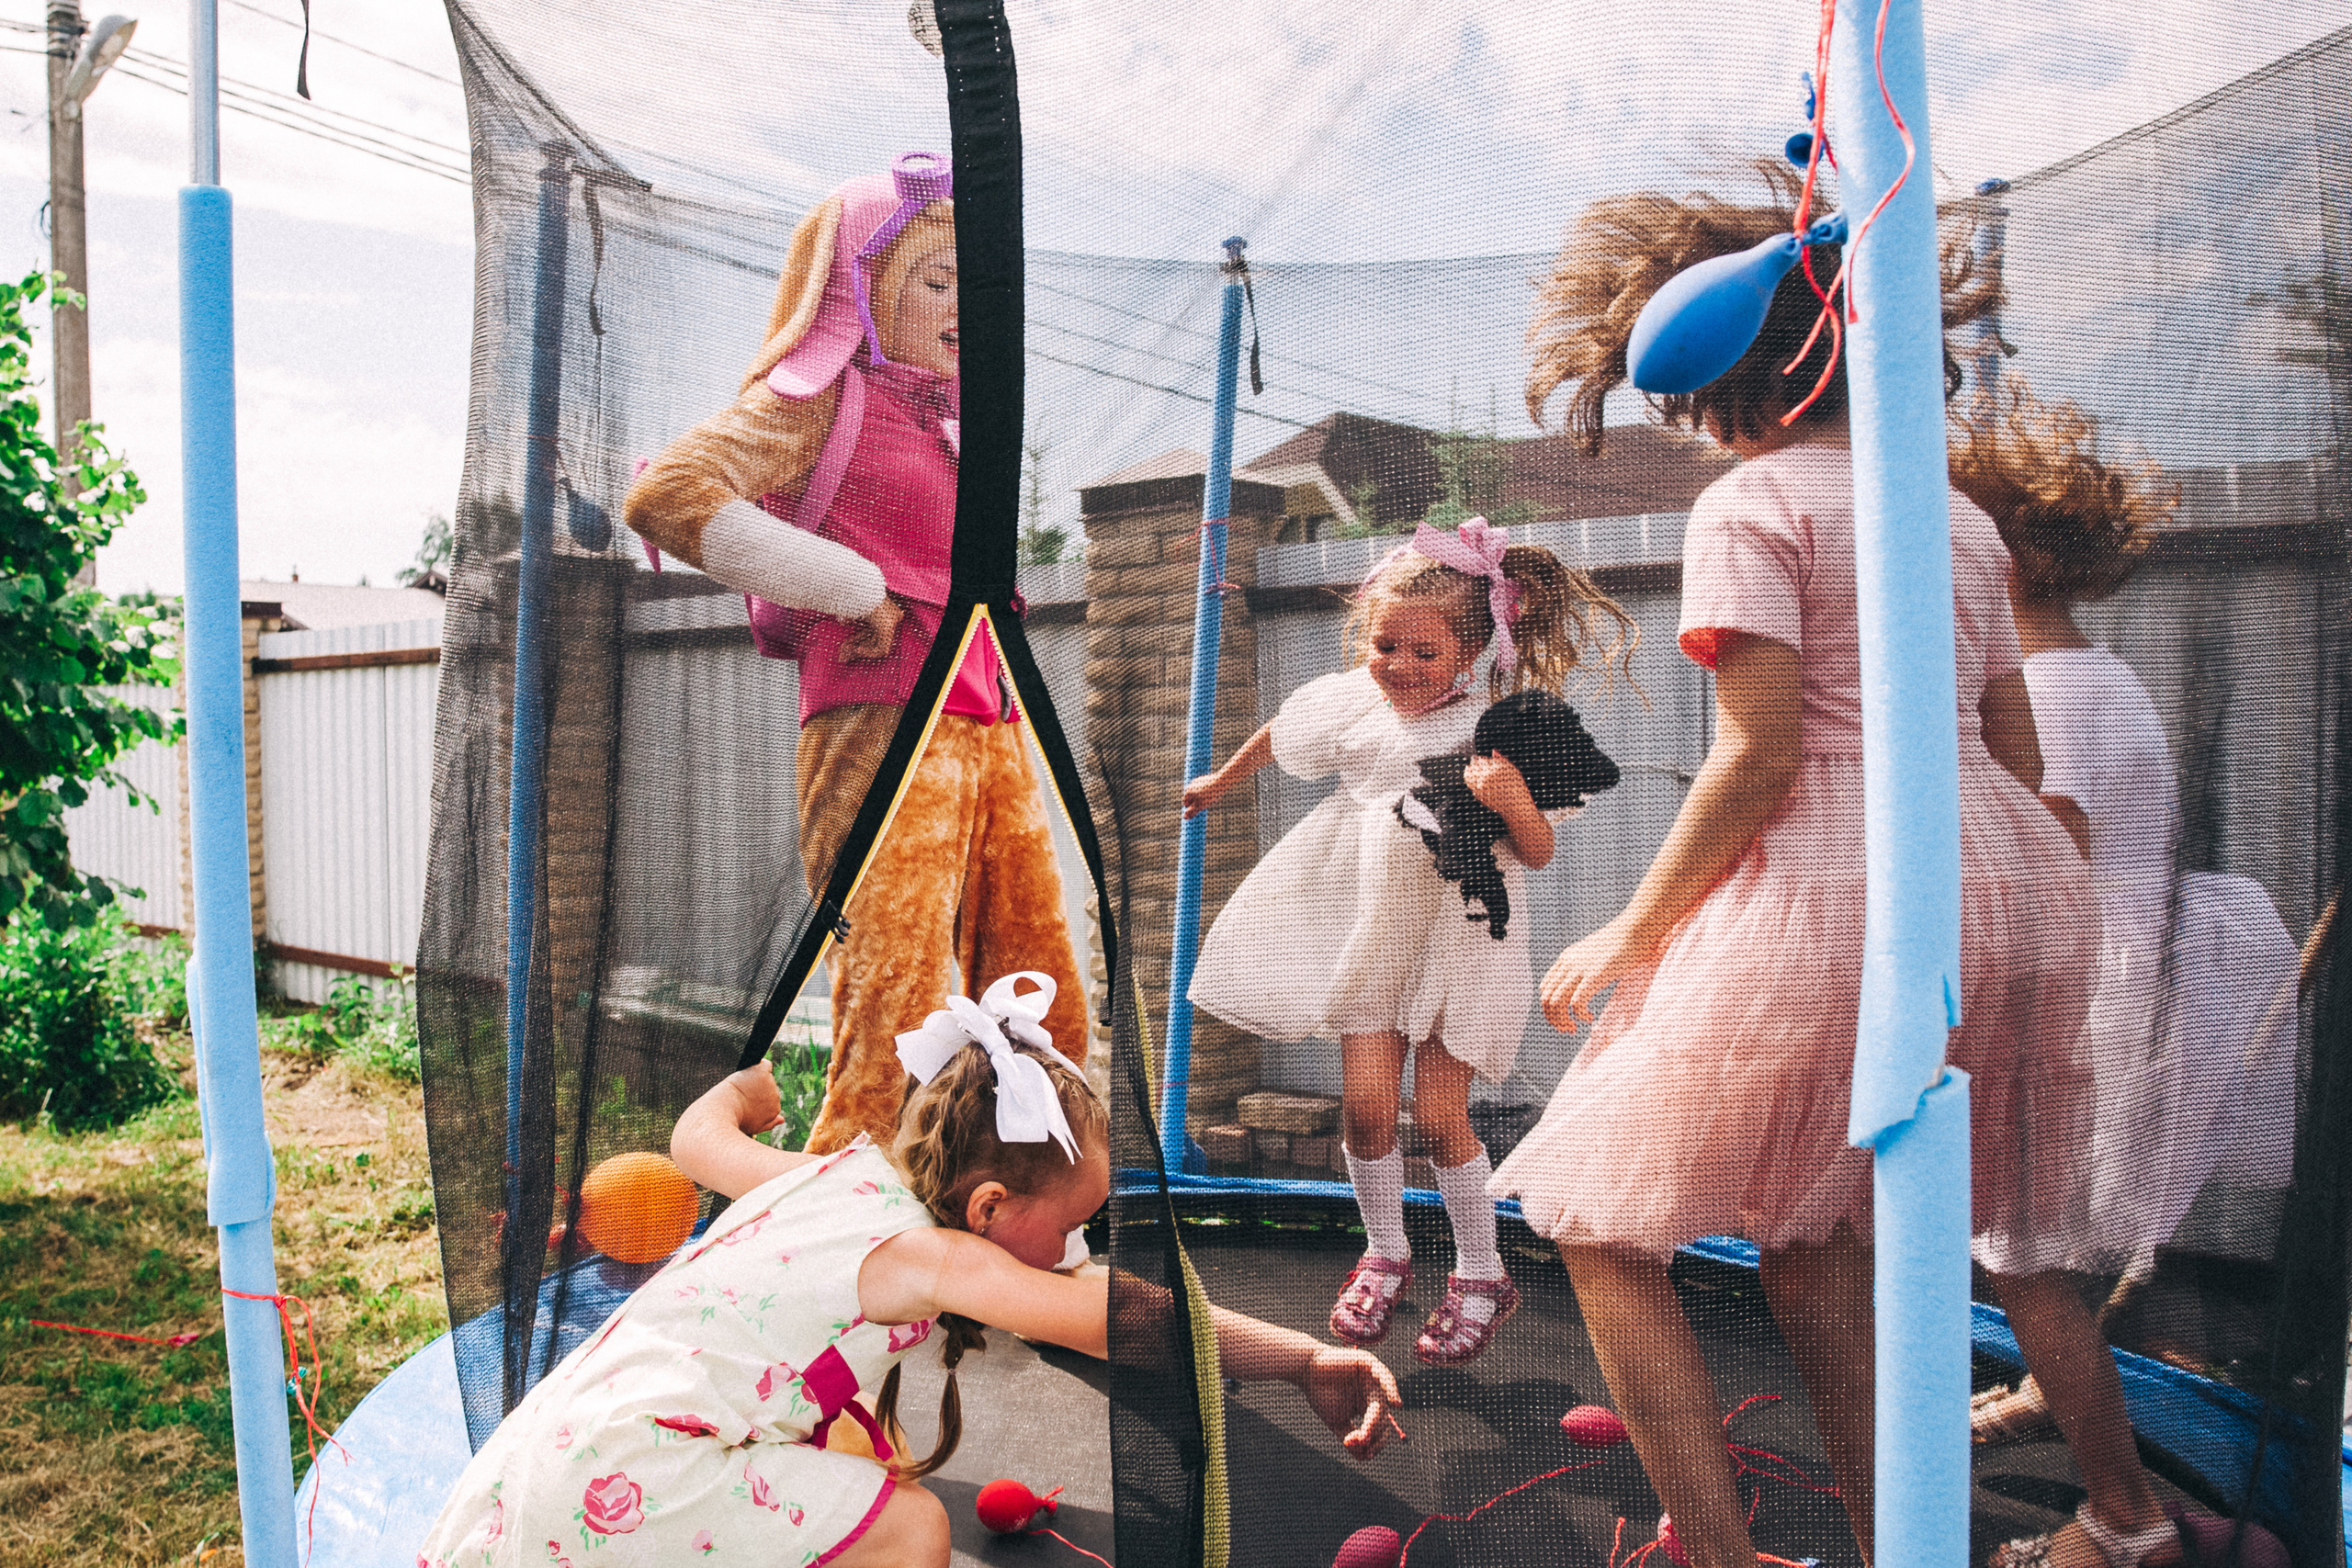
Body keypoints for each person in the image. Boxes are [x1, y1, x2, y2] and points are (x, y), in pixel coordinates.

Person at [1494, 166, 2131, 1568]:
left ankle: (1720, 1553)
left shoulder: (1751, 505)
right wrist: (2022, 880)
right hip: (1983, 869)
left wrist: (1636, 929)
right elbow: (2009, 743)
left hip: (1834, 878)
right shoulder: (1958, 518)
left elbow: (1764, 754)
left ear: (1721, 398)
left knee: (1596, 1224)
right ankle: (1908, 1544)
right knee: (1818, 1235)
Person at [417, 974, 1403, 1568]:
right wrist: (1304, 1359)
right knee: (910, 1529)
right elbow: (1129, 1320)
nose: (1076, 1254)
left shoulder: (831, 1179)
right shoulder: (935, 1254)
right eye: (1072, 1228)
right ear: (988, 1209)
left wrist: (745, 1090)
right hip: (645, 1476)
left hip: (549, 1452)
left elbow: (693, 1137)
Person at [624, 153, 1085, 1156]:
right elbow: (670, 495)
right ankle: (856, 1220)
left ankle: (1027, 1191)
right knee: (902, 989)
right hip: (882, 715)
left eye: (973, 283)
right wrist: (850, 587)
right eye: (934, 279)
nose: (962, 303)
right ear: (861, 292)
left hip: (990, 718)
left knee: (1036, 969)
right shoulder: (822, 401)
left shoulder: (953, 426)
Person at [1182, 518, 1633, 1367]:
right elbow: (1282, 731)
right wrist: (1219, 779)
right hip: (1375, 931)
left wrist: (1509, 800)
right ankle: (1386, 1249)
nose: (1398, 665)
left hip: (1463, 935)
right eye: (1386, 644)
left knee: (1437, 1113)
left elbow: (1536, 851)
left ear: (1472, 650)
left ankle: (1481, 1270)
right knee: (1364, 1104)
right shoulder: (1352, 698)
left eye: (1424, 653)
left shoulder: (1503, 725)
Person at [1951, 386, 2301, 1448]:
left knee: (2023, 1259)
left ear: (1995, 563)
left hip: (2074, 1004)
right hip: (2121, 982)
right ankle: (2058, 1395)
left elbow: (2041, 875)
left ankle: (2117, 1510)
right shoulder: (2093, 677)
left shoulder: (2046, 697)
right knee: (2034, 1248)